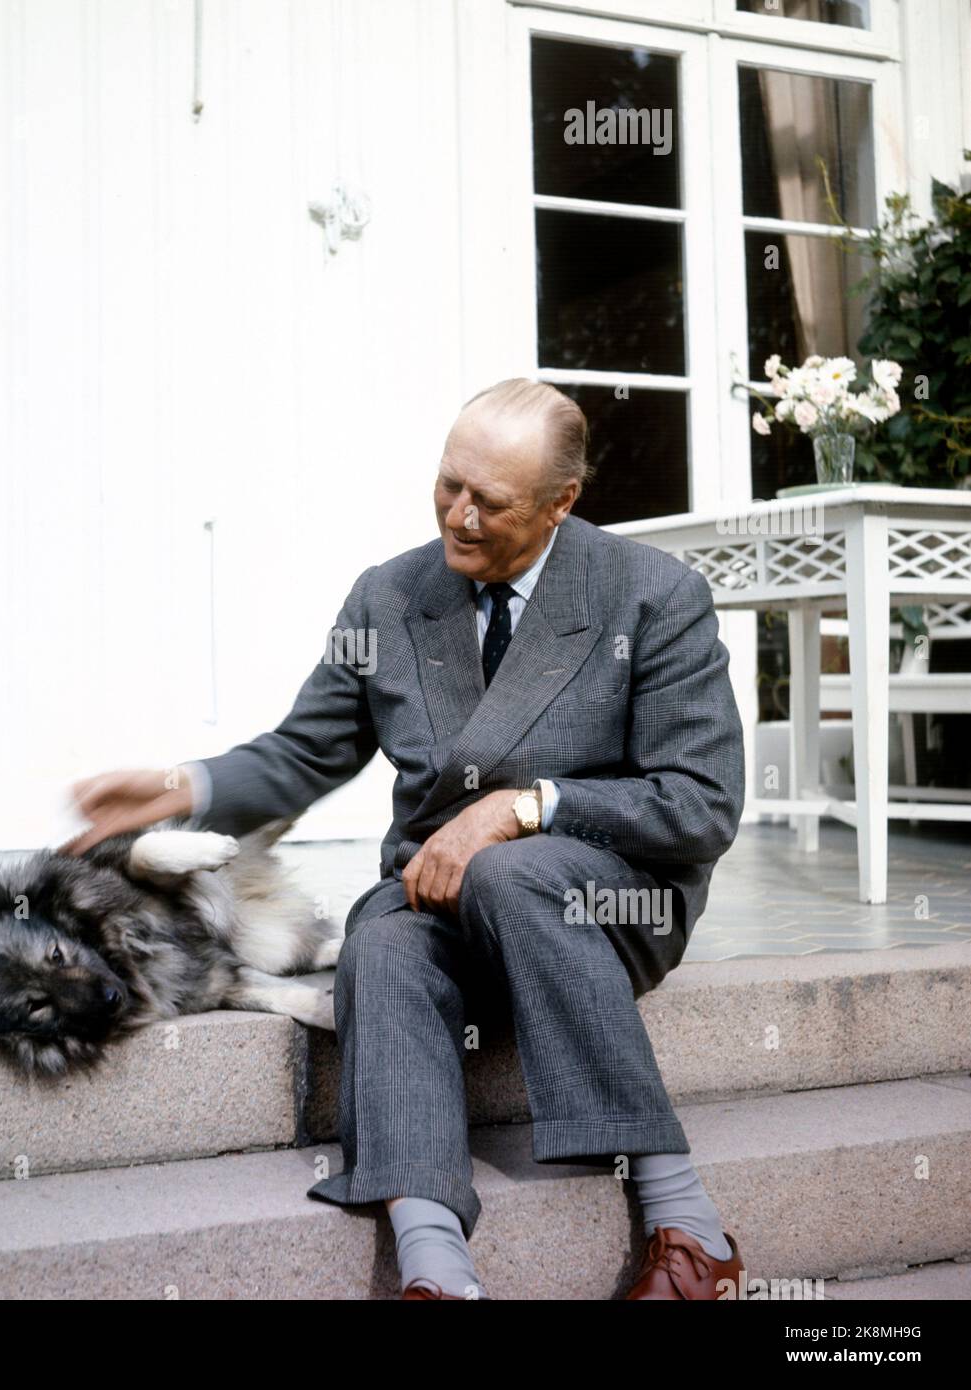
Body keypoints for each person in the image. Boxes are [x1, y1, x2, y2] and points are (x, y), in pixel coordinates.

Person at [67, 378, 747, 1300]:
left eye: (490, 503)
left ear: (561, 504)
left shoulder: (652, 596)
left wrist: (519, 808)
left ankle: (690, 1228)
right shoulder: (388, 597)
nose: (458, 518)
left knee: (509, 874)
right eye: (445, 486)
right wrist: (183, 785)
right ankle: (436, 1274)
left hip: (607, 900)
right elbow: (305, 752)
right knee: (380, 942)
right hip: (436, 893)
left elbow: (699, 804)